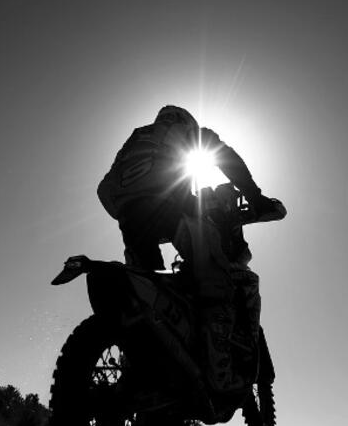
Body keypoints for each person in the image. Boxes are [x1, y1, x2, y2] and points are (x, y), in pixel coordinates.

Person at [97, 105, 284, 391]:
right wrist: (255, 198)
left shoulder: (137, 138)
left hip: (130, 219)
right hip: (170, 207)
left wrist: (129, 208)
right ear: (186, 121)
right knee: (216, 277)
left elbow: (104, 188)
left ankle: (149, 367)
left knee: (150, 290)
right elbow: (227, 158)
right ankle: (219, 370)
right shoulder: (183, 131)